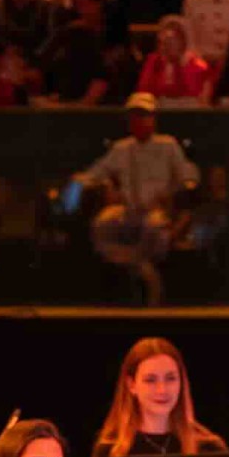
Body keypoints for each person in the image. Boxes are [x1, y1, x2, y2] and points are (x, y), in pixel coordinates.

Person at [77, 92, 201, 305]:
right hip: (128, 211)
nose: (139, 120)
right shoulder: (121, 148)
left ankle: (143, 277)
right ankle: (141, 268)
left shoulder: (168, 145)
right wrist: (88, 182)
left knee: (155, 230)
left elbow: (188, 176)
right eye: (134, 116)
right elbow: (95, 173)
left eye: (144, 115)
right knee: (102, 225)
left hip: (155, 212)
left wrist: (173, 192)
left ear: (153, 119)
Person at [88, 336, 227, 457]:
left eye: (170, 378)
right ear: (131, 385)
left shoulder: (209, 448)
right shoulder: (110, 452)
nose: (162, 389)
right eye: (150, 380)